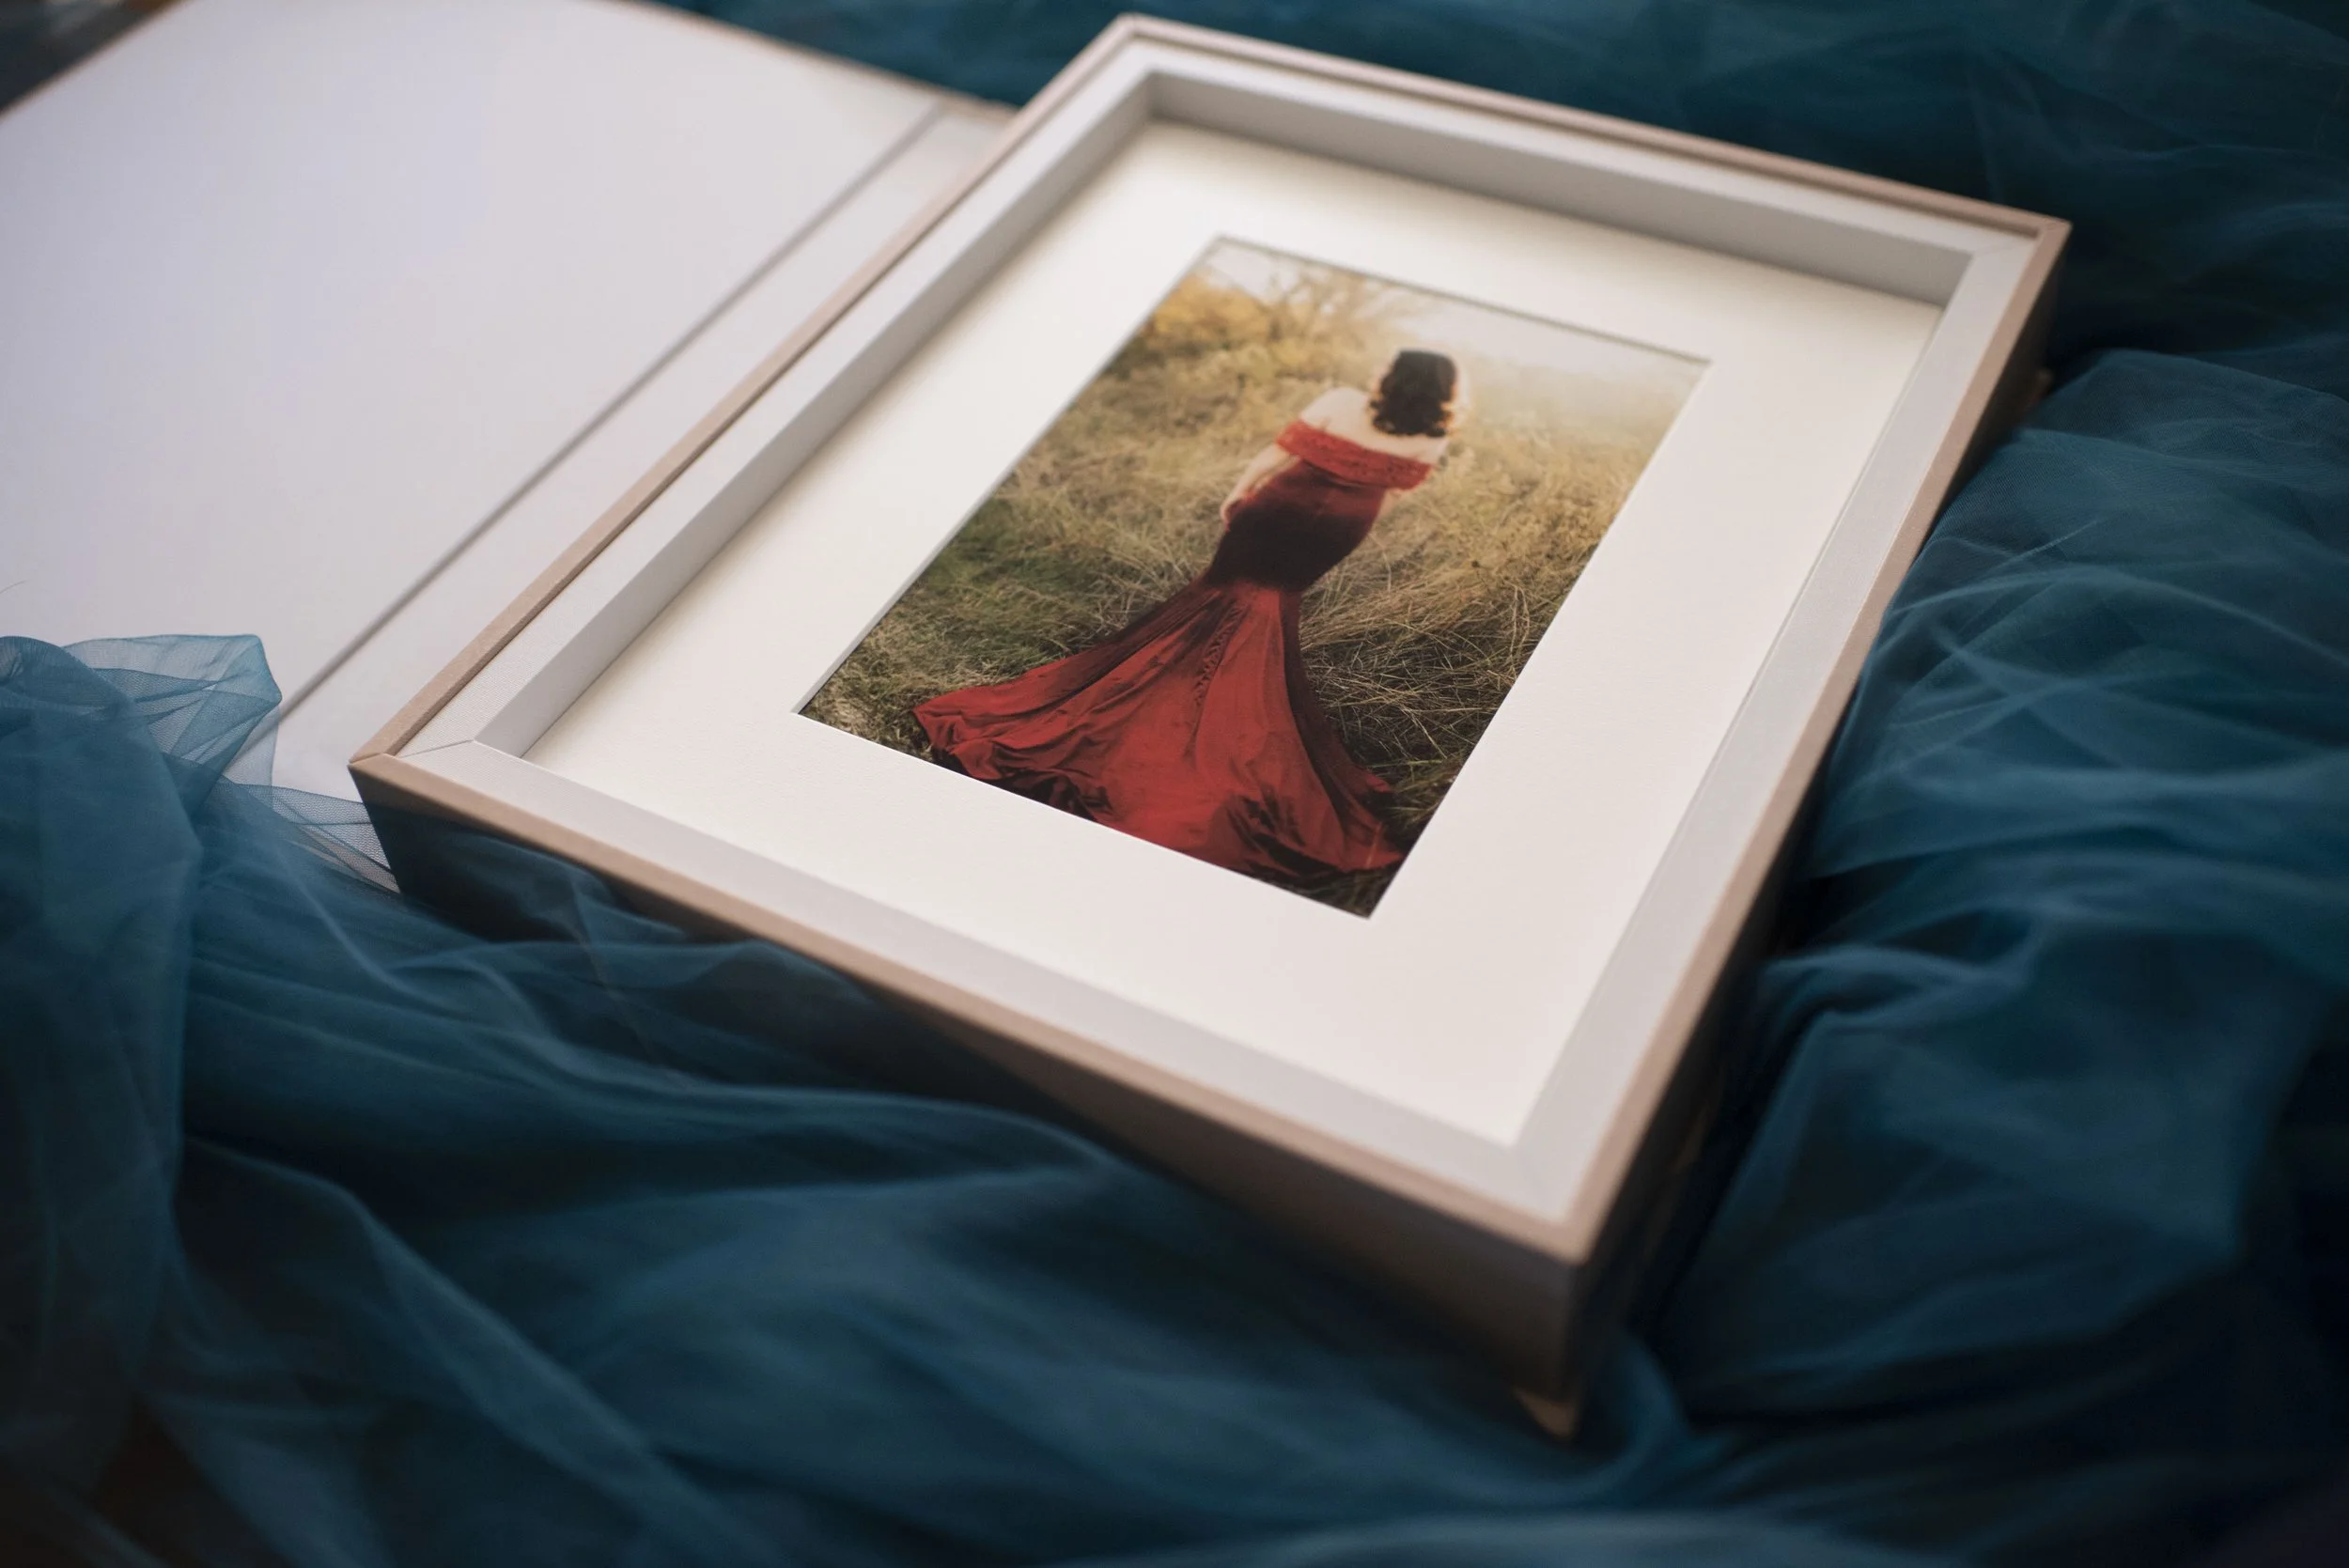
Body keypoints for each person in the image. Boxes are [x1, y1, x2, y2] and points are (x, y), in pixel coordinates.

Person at [914, 349, 1462, 887]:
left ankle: (1168, 689)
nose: (1375, 368)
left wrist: (1238, 494)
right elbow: (1392, 497)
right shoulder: (1433, 437)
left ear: (1398, 378)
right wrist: (1348, 527)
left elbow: (1276, 455)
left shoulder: (1343, 400)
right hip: (1343, 524)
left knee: (1222, 592)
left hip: (1282, 504)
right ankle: (1223, 706)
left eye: (1386, 366)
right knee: (1273, 607)